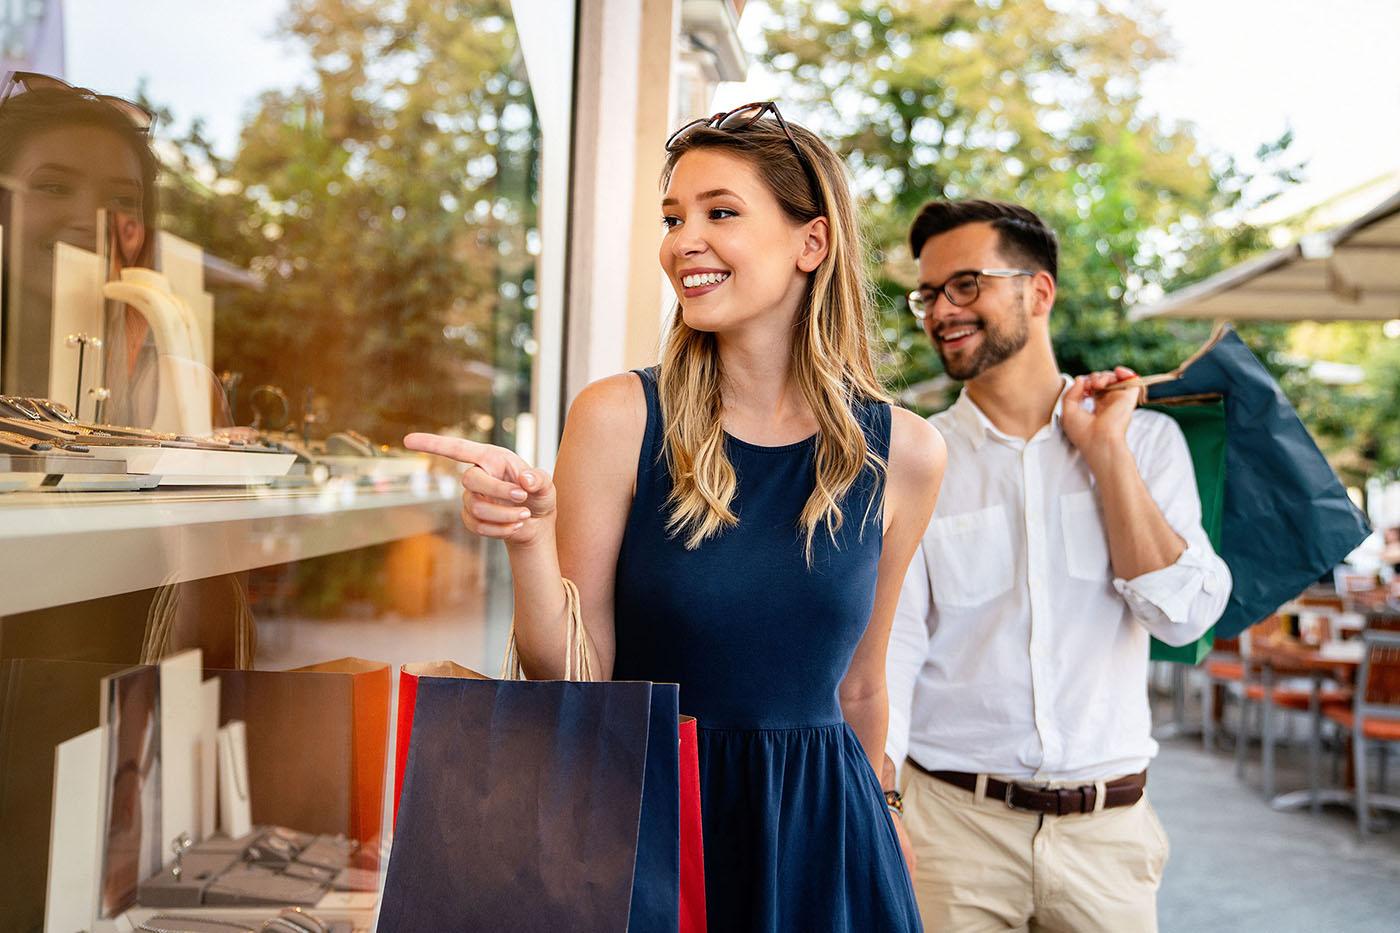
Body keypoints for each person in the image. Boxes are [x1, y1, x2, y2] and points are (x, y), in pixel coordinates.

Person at [407, 101, 944, 931]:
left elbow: (863, 683)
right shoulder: (619, 417)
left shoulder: (905, 453)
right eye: (672, 217)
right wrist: (529, 537)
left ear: (813, 243)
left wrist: (886, 812)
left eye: (719, 212)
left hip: (825, 843)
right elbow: (573, 680)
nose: (681, 240)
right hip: (648, 821)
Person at [883, 199, 1231, 932]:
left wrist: (1106, 451)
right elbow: (896, 648)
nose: (942, 309)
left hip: (1107, 836)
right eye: (929, 293)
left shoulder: (1149, 441)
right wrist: (882, 805)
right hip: (953, 831)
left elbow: (1181, 613)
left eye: (966, 284)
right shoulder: (914, 458)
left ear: (1038, 292)